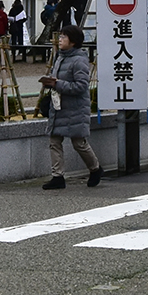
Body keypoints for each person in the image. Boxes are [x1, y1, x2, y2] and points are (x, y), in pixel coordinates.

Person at [38, 25, 102, 189]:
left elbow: (81, 86)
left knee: (79, 143)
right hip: (59, 106)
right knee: (54, 140)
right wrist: (51, 83)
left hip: (75, 108)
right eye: (60, 37)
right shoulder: (60, 57)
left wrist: (58, 84)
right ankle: (57, 176)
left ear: (73, 42)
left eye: (63, 37)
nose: (60, 39)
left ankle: (95, 168)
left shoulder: (79, 60)